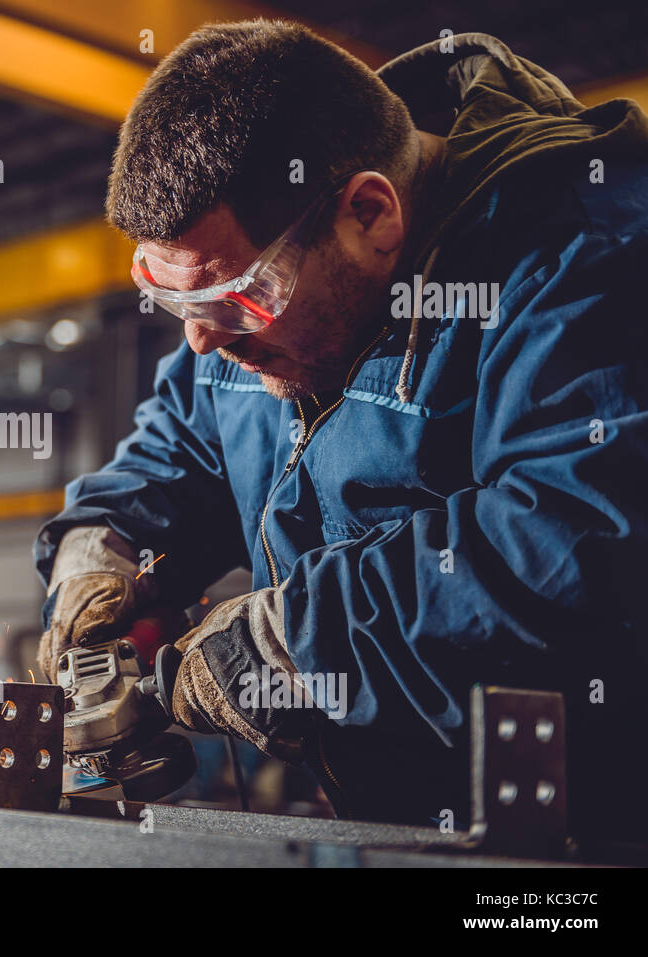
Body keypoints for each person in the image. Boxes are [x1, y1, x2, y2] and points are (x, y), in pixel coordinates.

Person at [34, 22, 648, 844]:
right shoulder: (249, 313)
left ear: (370, 213)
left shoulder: (585, 255)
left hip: (589, 845)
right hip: (393, 828)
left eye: (232, 301)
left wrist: (293, 641)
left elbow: (572, 544)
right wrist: (97, 552)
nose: (203, 340)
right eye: (174, 302)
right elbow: (183, 443)